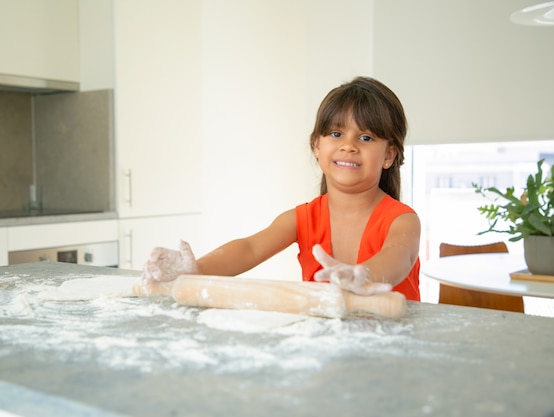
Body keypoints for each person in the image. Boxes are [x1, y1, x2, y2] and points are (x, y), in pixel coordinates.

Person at [143, 76, 421, 301]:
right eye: (336, 134)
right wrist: (196, 269)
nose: (348, 145)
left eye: (365, 137)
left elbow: (399, 254)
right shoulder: (303, 219)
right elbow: (250, 249)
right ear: (316, 146)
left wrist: (366, 275)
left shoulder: (401, 219)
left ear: (389, 155)